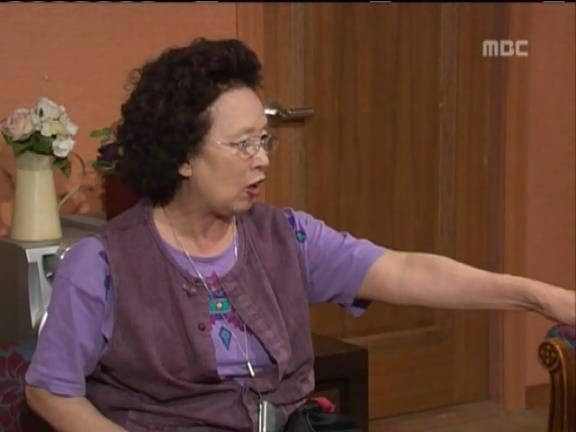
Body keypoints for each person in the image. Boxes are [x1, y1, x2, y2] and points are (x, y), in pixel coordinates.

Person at [24, 38, 575, 432]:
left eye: (264, 140)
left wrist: (541, 297)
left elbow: (409, 270)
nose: (262, 159)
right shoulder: (103, 264)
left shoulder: (286, 236)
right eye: (242, 144)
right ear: (183, 157)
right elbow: (48, 389)